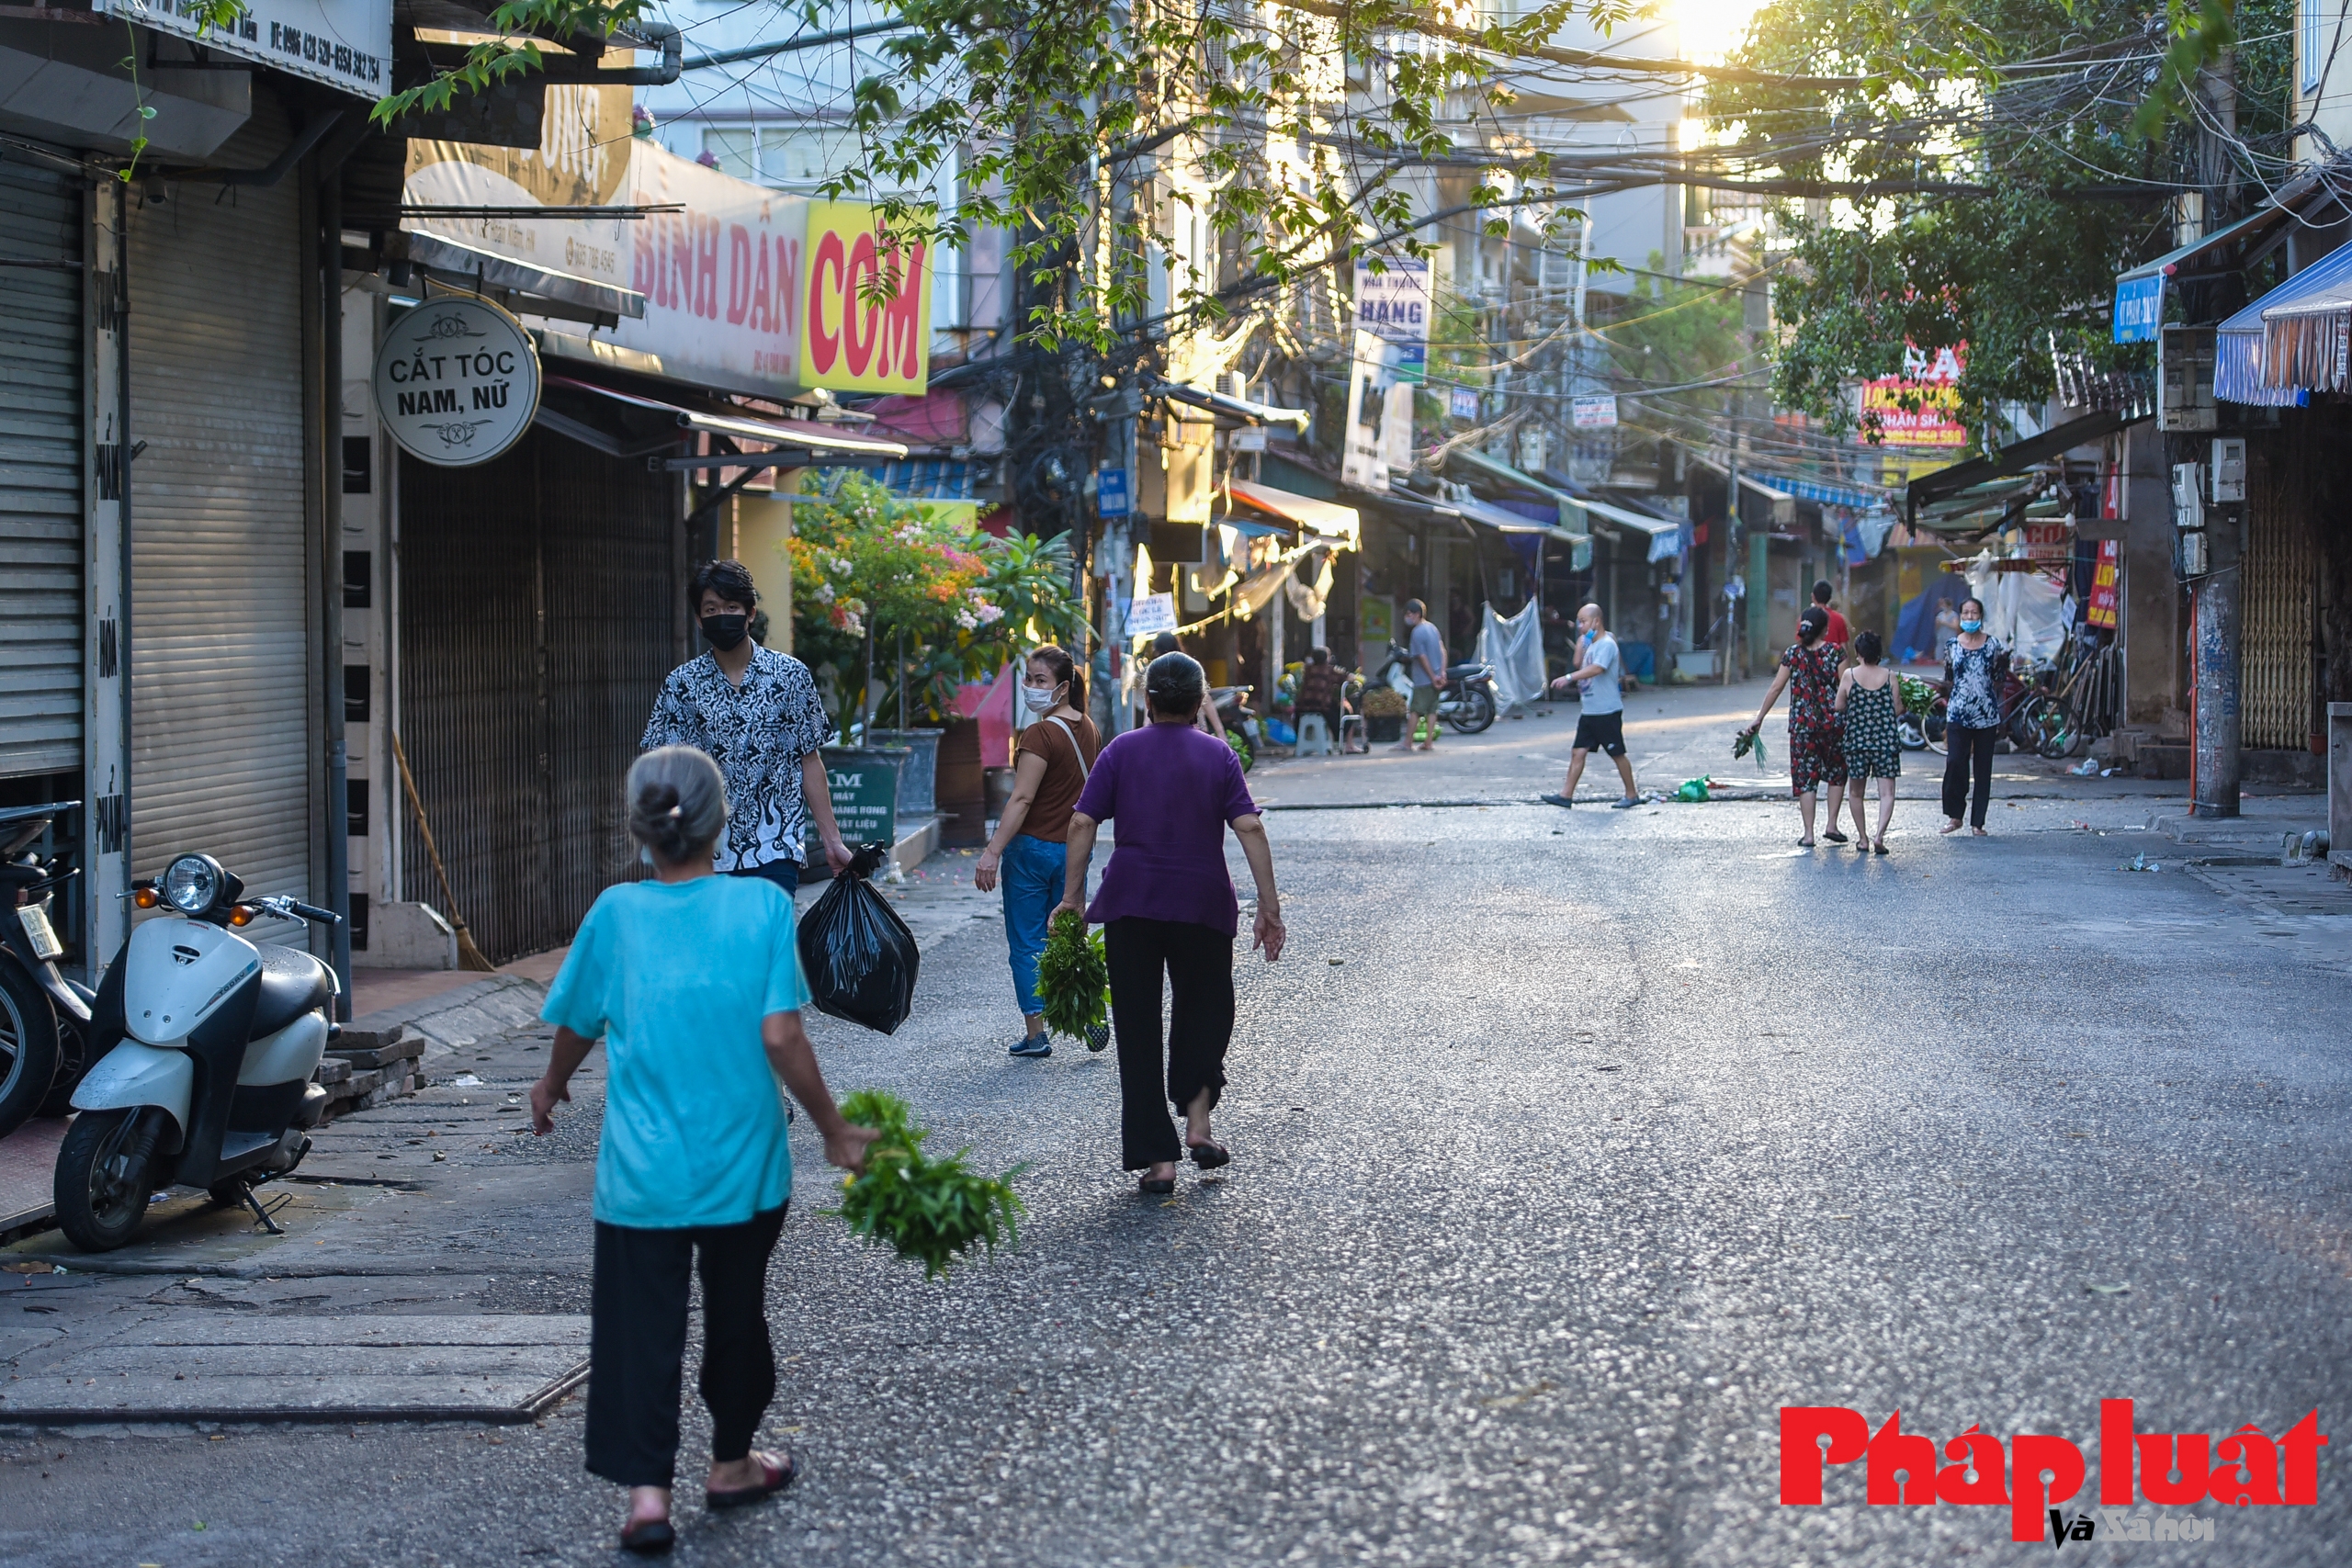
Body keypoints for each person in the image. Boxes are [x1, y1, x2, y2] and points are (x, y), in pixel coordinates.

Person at [529, 747, 876, 1556]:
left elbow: (580, 1019)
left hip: (641, 1173)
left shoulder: (614, 912)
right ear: (723, 825)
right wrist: (830, 1126)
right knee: (735, 1314)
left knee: (637, 1328)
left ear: (638, 830)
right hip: (743, 1164)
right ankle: (730, 1464)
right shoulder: (760, 908)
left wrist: (550, 1084)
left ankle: (648, 1496)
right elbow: (781, 1034)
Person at [1054, 651, 1285, 1196]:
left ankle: (1160, 1161)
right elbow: (1249, 827)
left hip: (1131, 904)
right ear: (1199, 700)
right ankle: (1199, 1124)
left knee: (1136, 1029)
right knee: (1206, 1013)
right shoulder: (1219, 755)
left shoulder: (1120, 751)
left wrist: (1071, 898)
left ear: (1149, 699)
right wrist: (1268, 907)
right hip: (1203, 905)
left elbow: (1084, 819)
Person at [641, 559, 851, 893]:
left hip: (776, 845)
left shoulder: (790, 676)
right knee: (719, 945)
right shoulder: (681, 685)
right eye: (711, 609)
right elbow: (666, 772)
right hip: (704, 849)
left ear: (750, 613)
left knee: (766, 939)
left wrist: (832, 841)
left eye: (731, 606)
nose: (721, 615)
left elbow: (809, 761)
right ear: (699, 619)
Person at [972, 646, 1102, 1059]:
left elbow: (1022, 799)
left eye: (1040, 680)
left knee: (1028, 942)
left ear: (1063, 687)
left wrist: (992, 851)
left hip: (1031, 852)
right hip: (1074, 852)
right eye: (1028, 678)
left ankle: (1036, 1035)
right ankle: (1089, 1014)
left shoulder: (1040, 734)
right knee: (1068, 936)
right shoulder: (1090, 729)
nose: (1030, 686)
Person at [1742, 606, 1849, 847]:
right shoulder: (1836, 653)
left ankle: (1809, 834)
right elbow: (1846, 688)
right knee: (1836, 774)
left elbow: (1776, 688)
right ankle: (1831, 825)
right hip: (1834, 725)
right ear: (1826, 629)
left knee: (1806, 778)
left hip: (1803, 727)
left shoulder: (1792, 654)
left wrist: (1759, 718)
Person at [1542, 603, 1639, 809]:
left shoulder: (1607, 644)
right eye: (1579, 622)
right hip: (1590, 710)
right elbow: (1579, 663)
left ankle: (1631, 794)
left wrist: (1568, 678)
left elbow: (1596, 669)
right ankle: (1565, 795)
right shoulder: (1592, 644)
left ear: (1596, 621)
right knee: (1578, 751)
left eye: (1584, 622)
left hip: (1606, 710)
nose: (1580, 626)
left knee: (1617, 753)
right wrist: (1582, 642)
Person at [1939, 597, 2007, 837]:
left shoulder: (1993, 645)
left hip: (1986, 715)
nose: (1970, 617)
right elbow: (1948, 677)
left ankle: (1978, 822)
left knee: (1983, 768)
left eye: (1974, 613)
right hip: (1958, 713)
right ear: (1960, 616)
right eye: (1965, 613)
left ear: (1981, 616)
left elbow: (1999, 677)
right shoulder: (1952, 645)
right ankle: (1954, 816)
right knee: (1956, 762)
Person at [1834, 629, 1901, 854]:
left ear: (1857, 652)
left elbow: (1839, 706)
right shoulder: (1890, 676)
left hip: (1857, 741)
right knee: (1887, 793)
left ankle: (1863, 839)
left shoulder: (1849, 676)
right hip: (1885, 741)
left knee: (1855, 793)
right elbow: (1897, 708)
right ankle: (1879, 835)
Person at [1152, 630, 1224, 739]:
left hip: (1167, 734)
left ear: (1158, 651)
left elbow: (1206, 699)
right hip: (1195, 732)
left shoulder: (1156, 672)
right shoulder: (1188, 667)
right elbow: (1206, 699)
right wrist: (1221, 732)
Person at [1396, 598, 1445, 751]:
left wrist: (1432, 677)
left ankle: (1407, 742)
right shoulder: (1432, 628)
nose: (1407, 617)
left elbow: (1422, 657)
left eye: (1409, 614)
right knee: (1432, 710)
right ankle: (1428, 741)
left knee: (1415, 711)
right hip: (1437, 676)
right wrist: (1441, 673)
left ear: (1417, 614)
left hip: (1424, 680)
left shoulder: (1417, 632)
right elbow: (1443, 650)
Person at [1294, 645, 1345, 750]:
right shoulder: (1329, 670)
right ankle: (1342, 742)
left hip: (1301, 708)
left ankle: (1305, 744)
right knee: (1343, 713)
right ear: (1327, 658)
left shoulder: (1308, 669)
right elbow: (1344, 677)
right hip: (1322, 707)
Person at [1812, 581, 1851, 648]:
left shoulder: (1804, 618)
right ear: (1830, 597)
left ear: (1813, 596)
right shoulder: (1839, 619)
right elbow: (1844, 650)